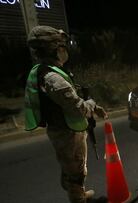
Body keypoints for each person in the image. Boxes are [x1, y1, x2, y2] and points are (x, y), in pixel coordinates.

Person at [24, 26, 107, 203]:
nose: (64, 50)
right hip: (67, 132)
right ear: (52, 48)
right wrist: (91, 104)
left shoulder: (47, 71)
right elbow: (78, 108)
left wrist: (94, 106)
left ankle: (79, 194)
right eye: (61, 46)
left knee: (71, 168)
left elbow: (72, 99)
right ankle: (78, 199)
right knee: (75, 171)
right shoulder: (52, 78)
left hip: (64, 128)